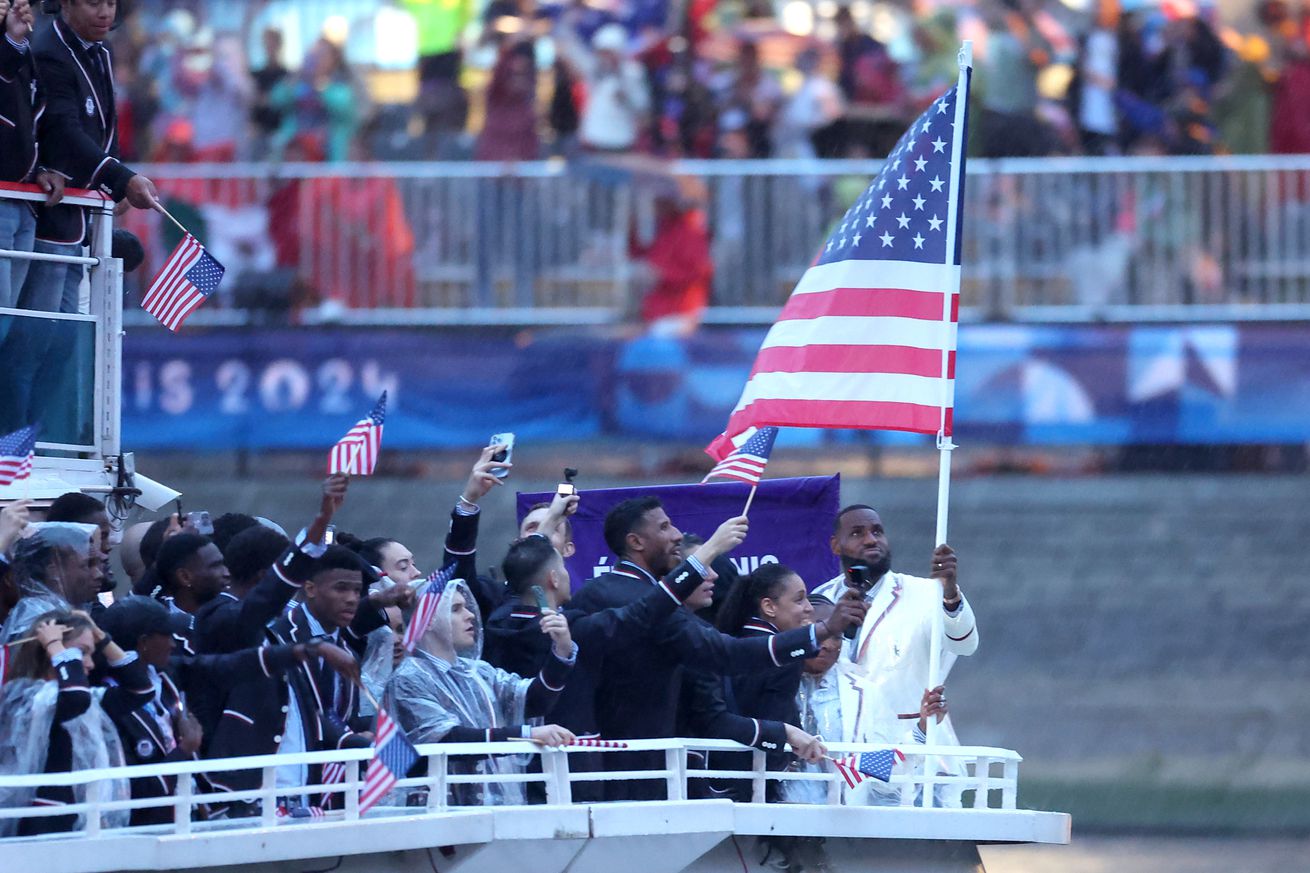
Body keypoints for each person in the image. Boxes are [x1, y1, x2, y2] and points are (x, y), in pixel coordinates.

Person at [567, 498, 868, 798]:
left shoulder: (592, 594)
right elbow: (729, 656)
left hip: (592, 772)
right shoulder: (650, 606)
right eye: (664, 526)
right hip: (642, 777)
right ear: (636, 542)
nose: (675, 534)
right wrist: (824, 630)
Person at [98, 595, 341, 826]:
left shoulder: (168, 673)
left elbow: (226, 666)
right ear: (143, 643)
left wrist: (299, 652)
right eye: (166, 635)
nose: (174, 643)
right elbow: (133, 790)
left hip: (189, 821)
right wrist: (185, 750)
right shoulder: (108, 704)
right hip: (144, 833)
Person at [204, 545, 404, 812]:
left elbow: (344, 716)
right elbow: (310, 712)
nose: (352, 599)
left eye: (357, 591)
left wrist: (379, 730)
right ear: (309, 588)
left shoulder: (345, 649)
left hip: (320, 790)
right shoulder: (280, 637)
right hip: (266, 791)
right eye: (341, 588)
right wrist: (353, 740)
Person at [810, 504, 977, 798]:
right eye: (857, 533)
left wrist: (950, 594)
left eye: (877, 531)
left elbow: (965, 642)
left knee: (914, 842)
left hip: (914, 755)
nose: (871, 539)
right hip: (841, 760)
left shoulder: (926, 592)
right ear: (836, 545)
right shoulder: (820, 600)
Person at [387, 578, 576, 807]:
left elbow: (533, 701)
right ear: (426, 621)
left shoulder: (478, 672)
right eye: (456, 609)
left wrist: (562, 650)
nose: (470, 615)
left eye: (466, 607)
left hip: (494, 802)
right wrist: (526, 734)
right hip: (438, 810)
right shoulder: (408, 677)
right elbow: (447, 739)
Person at [0, 609, 151, 836]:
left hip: (85, 818)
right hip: (43, 823)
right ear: (51, 653)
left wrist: (101, 637)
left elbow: (141, 690)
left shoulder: (89, 700)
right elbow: (75, 697)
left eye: (92, 654)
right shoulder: (28, 699)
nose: (90, 664)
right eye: (82, 653)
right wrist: (54, 644)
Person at [0, 0, 62, 313]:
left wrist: (39, 168)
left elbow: (27, 117)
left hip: (23, 196)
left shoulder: (23, 43)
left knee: (7, 320)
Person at [1, 521, 103, 642]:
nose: (99, 574)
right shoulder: (37, 624)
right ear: (53, 568)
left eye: (98, 564)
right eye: (87, 565)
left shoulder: (63, 614)